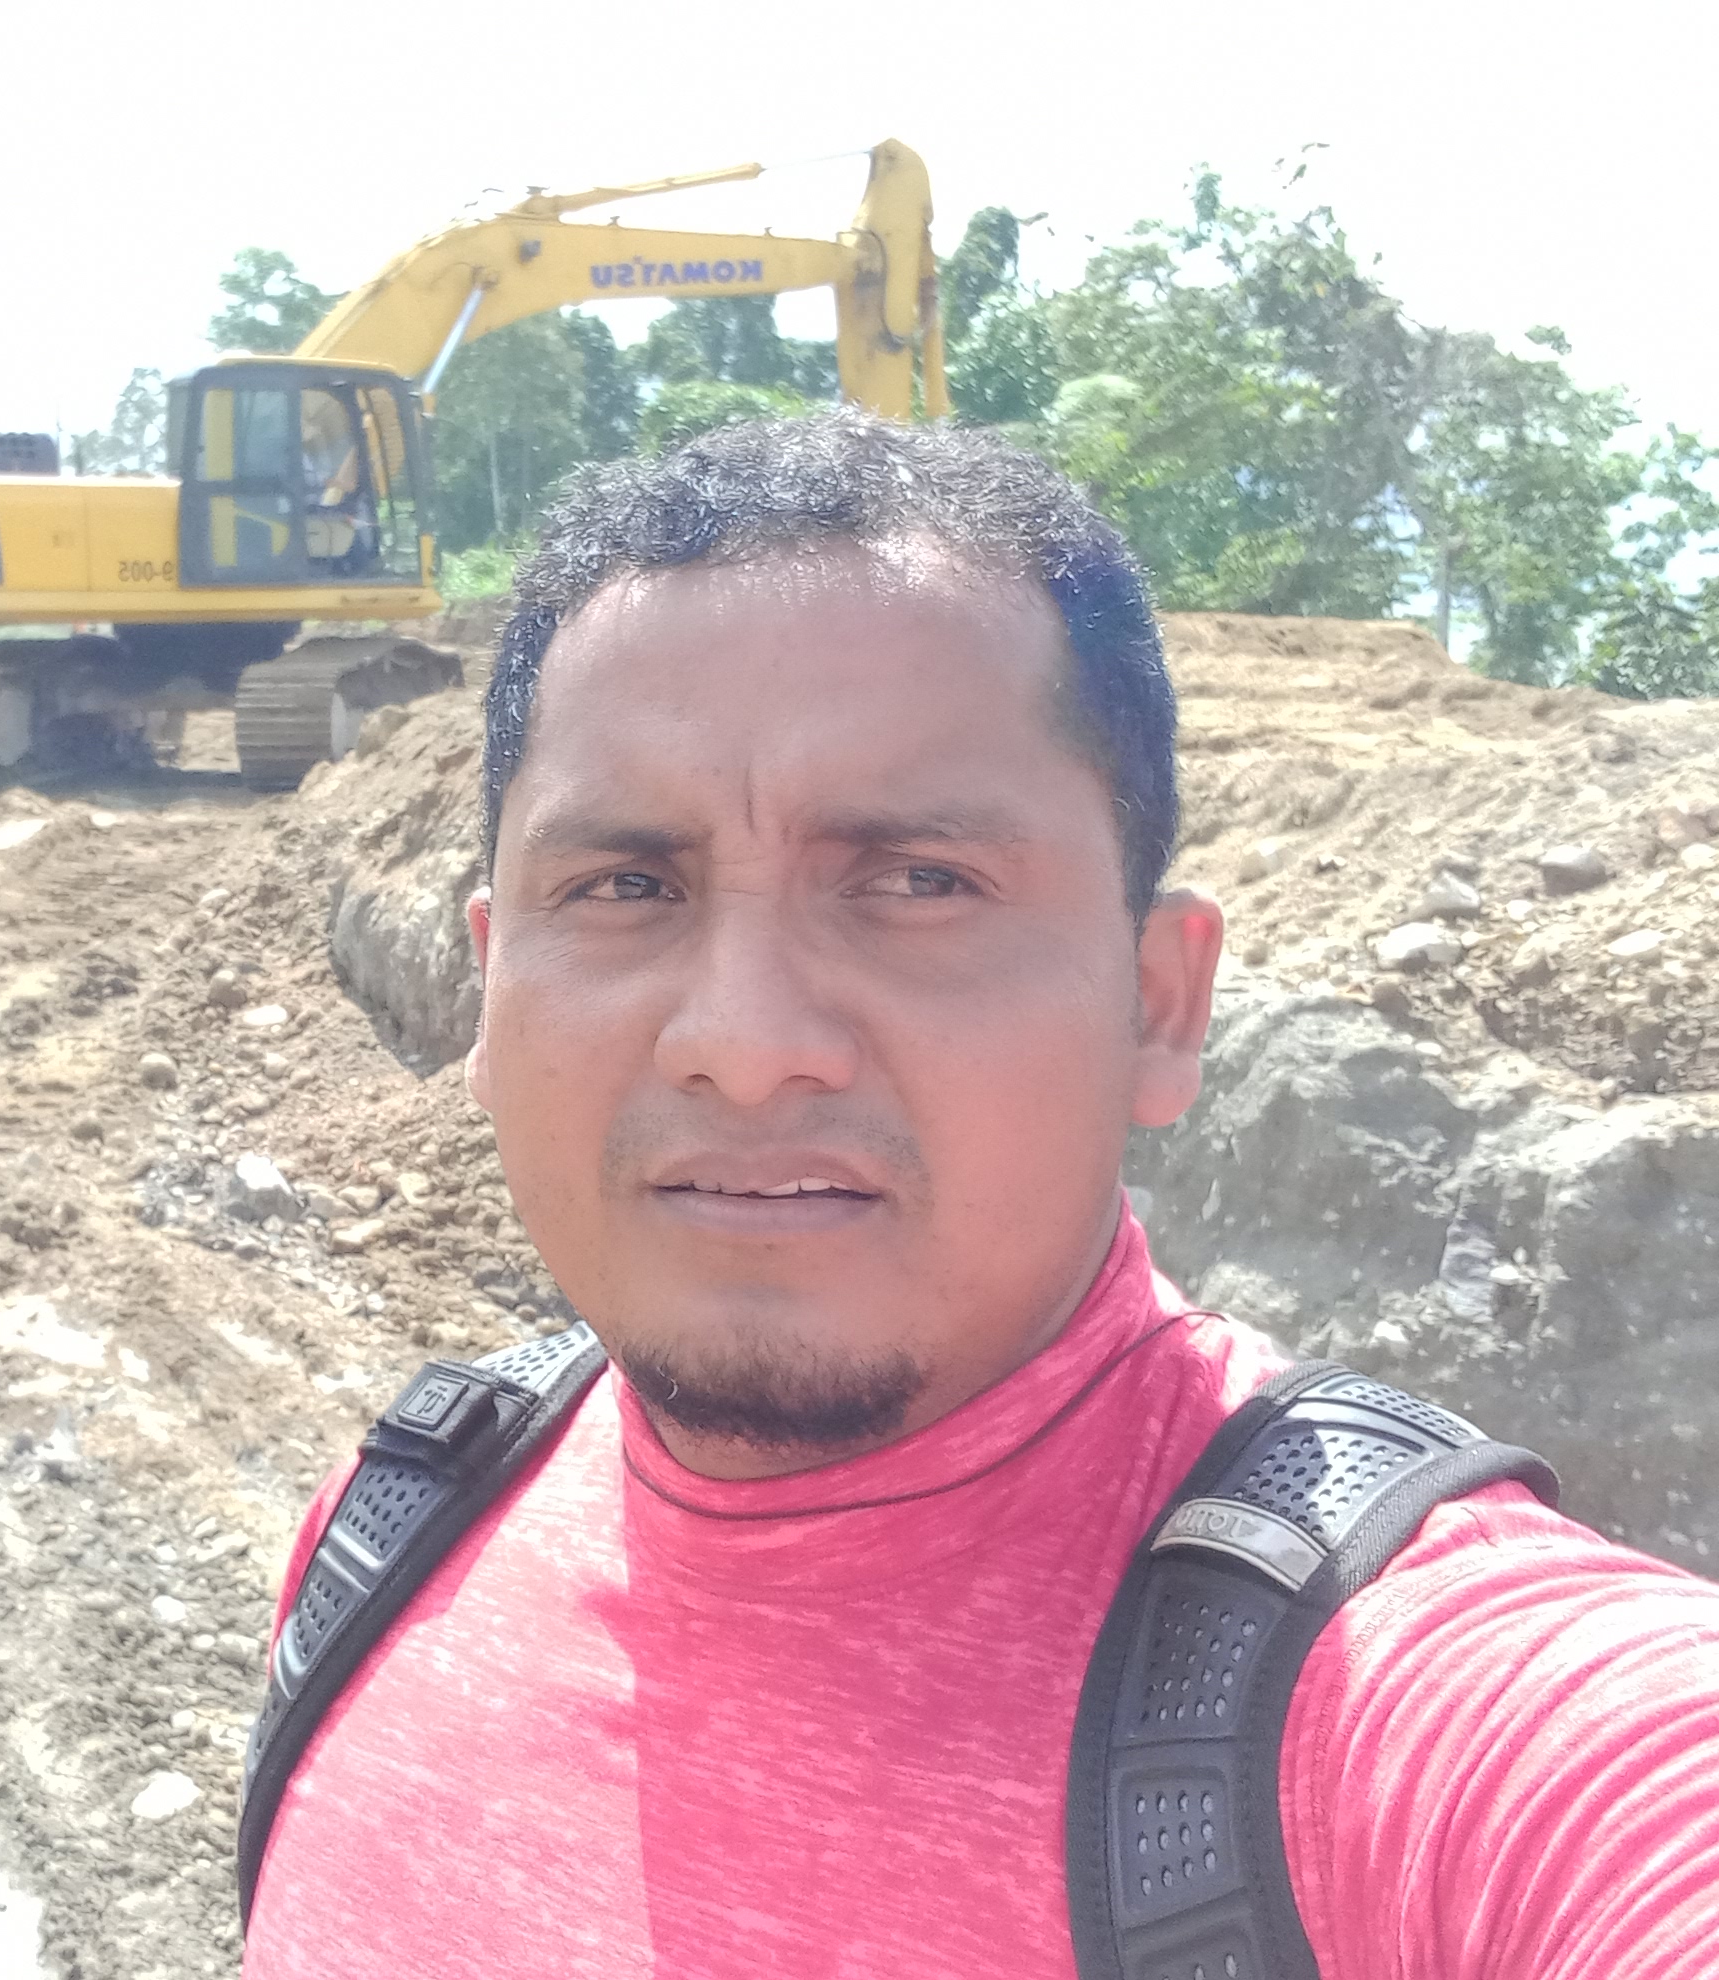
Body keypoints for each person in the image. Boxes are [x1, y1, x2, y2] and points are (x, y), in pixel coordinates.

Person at [239, 410, 1719, 1977]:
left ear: (1159, 1006)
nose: (744, 1042)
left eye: (919, 882)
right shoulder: (387, 1537)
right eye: (624, 887)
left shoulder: (1439, 1716)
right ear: (488, 991)